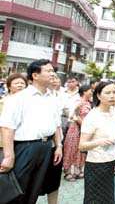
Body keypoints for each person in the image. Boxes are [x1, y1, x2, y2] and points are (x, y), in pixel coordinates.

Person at [0, 59, 63, 204]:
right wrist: (9, 156)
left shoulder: (52, 98)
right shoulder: (19, 98)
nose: (53, 74)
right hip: (25, 148)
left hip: (46, 147)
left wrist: (58, 145)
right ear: (35, 75)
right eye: (48, 71)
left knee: (35, 190)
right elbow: (7, 127)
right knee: (17, 191)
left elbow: (56, 124)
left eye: (53, 71)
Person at [79, 81, 115, 204]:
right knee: (95, 200)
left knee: (109, 199)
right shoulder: (92, 116)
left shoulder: (114, 111)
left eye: (114, 92)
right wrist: (98, 142)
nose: (112, 96)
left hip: (112, 162)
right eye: (107, 93)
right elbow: (82, 145)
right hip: (96, 165)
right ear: (98, 95)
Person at [39, 70, 64, 204]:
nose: (54, 80)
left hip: (54, 144)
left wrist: (59, 145)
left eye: (56, 78)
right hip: (35, 145)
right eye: (51, 77)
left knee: (53, 180)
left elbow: (57, 124)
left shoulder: (57, 97)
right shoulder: (31, 97)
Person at [63, 85, 92, 181]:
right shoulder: (78, 102)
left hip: (84, 130)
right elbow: (73, 116)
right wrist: (83, 124)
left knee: (81, 151)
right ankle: (67, 172)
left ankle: (78, 171)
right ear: (84, 92)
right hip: (75, 129)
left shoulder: (88, 103)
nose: (91, 92)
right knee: (70, 149)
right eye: (90, 91)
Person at [0, 73, 28, 153]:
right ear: (9, 86)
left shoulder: (29, 103)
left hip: (22, 143)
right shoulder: (3, 102)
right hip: (4, 144)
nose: (20, 85)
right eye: (16, 83)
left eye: (22, 83)